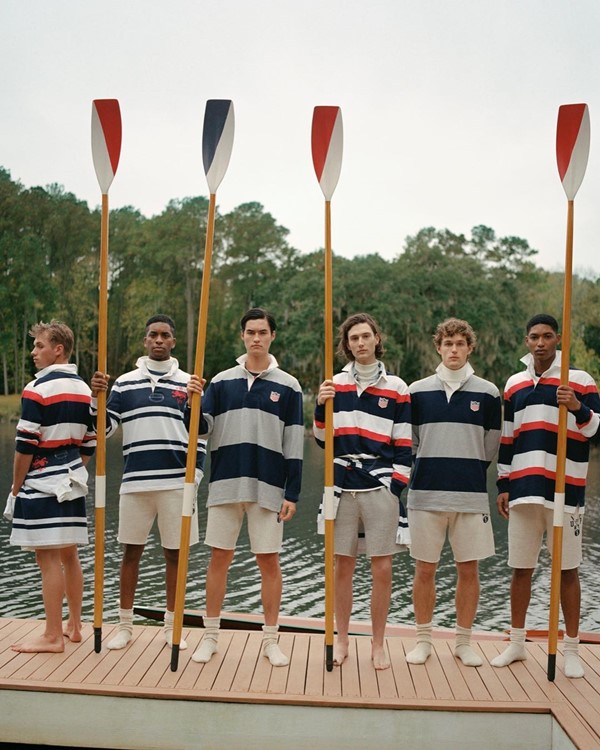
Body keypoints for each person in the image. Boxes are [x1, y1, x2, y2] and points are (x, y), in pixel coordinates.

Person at [189, 307, 304, 667]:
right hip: (225, 482)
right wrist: (190, 401)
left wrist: (293, 492)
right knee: (219, 559)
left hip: (269, 486)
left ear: (272, 336)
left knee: (268, 561)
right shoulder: (221, 381)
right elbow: (200, 428)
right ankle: (210, 636)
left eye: (262, 332)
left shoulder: (289, 385)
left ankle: (271, 639)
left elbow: (294, 443)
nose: (256, 337)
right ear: (242, 336)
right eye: (250, 332)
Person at [491, 313, 600, 678]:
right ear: (526, 341)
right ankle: (518, 644)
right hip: (523, 489)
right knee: (521, 569)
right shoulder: (514, 384)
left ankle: (571, 649)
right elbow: (508, 438)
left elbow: (595, 430)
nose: (540, 342)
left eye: (548, 336)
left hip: (565, 490)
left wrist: (577, 406)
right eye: (534, 336)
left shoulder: (579, 381)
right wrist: (503, 484)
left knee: (568, 571)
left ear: (559, 340)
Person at [91, 314, 205, 651]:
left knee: (175, 556)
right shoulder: (124, 384)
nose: (158, 340)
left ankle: (173, 627)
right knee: (130, 553)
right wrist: (96, 396)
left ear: (173, 341)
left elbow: (200, 435)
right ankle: (124, 626)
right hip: (135, 482)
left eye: (165, 335)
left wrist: (194, 476)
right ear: (145, 341)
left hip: (175, 483)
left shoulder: (190, 383)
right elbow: (104, 429)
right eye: (152, 334)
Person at [314, 312, 412, 670]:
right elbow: (323, 439)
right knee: (342, 566)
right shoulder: (334, 384)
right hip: (340, 485)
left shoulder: (397, 388)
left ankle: (378, 643)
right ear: (347, 344)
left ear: (376, 339)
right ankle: (341, 640)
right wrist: (319, 405)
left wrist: (394, 486)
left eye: (365, 336)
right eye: (353, 338)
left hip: (379, 485)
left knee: (382, 567)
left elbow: (404, 445)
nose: (360, 343)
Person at [405, 318, 501, 667]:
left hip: (469, 495)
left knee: (468, 570)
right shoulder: (417, 391)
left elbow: (491, 446)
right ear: (438, 347)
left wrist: (467, 469)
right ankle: (423, 640)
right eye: (448, 343)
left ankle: (463, 642)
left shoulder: (488, 393)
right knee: (424, 570)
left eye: (461, 343)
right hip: (425, 495)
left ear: (470, 347)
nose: (454, 349)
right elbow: (410, 442)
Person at [5, 320, 96, 653]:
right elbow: (89, 443)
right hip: (71, 481)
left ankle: (52, 635)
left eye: (39, 345)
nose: (33, 352)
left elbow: (26, 444)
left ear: (58, 349)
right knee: (70, 554)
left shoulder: (37, 389)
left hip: (42, 482)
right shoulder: (86, 390)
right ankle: (74, 626)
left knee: (47, 560)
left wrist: (17, 488)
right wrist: (69, 468)